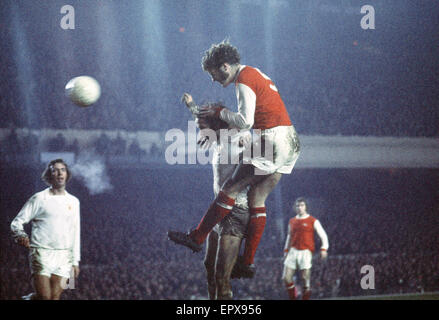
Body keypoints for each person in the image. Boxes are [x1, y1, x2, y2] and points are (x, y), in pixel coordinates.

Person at [168, 39, 300, 277]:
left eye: (213, 73)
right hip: (290, 140)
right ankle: (246, 263)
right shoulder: (256, 72)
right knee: (257, 198)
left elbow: (245, 121)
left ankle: (198, 237)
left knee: (231, 188)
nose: (213, 79)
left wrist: (220, 112)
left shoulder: (243, 80)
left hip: (271, 139)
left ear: (225, 67)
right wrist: (194, 107)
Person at [11, 159, 81, 300]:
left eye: (62, 169)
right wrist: (20, 234)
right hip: (41, 252)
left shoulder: (74, 201)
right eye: (55, 170)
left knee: (54, 298)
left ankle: (27, 298)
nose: (59, 172)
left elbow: (75, 231)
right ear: (50, 175)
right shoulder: (39, 198)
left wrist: (75, 261)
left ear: (67, 174)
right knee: (44, 297)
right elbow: (17, 222)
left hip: (64, 256)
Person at [282, 197, 329, 300]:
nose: (299, 207)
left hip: (306, 252)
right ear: (295, 207)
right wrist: (286, 250)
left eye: (302, 205)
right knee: (286, 278)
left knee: (305, 279)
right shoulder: (292, 221)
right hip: (293, 251)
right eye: (298, 205)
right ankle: (293, 298)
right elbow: (289, 237)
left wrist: (324, 248)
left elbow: (323, 236)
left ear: (306, 207)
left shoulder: (313, 220)